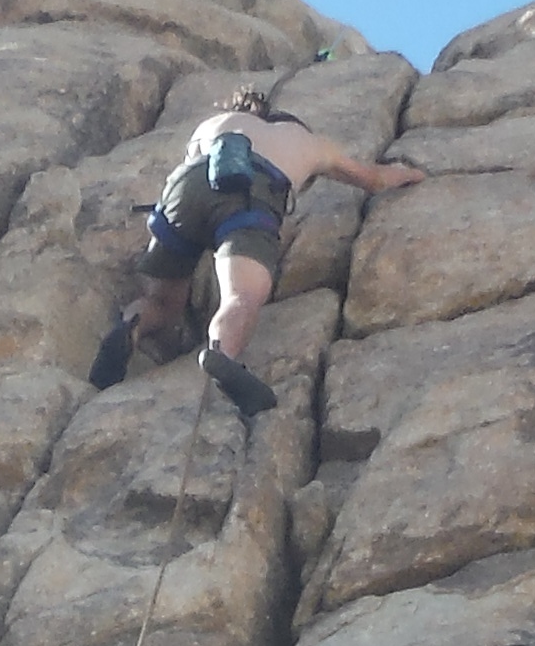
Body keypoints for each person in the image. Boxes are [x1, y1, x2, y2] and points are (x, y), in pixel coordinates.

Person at [89, 79, 425, 418]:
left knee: (162, 302)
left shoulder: (212, 125)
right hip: (249, 193)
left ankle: (131, 326)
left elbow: (192, 173)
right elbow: (374, 178)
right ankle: (223, 355)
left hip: (183, 191)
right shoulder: (310, 143)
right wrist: (412, 174)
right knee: (242, 296)